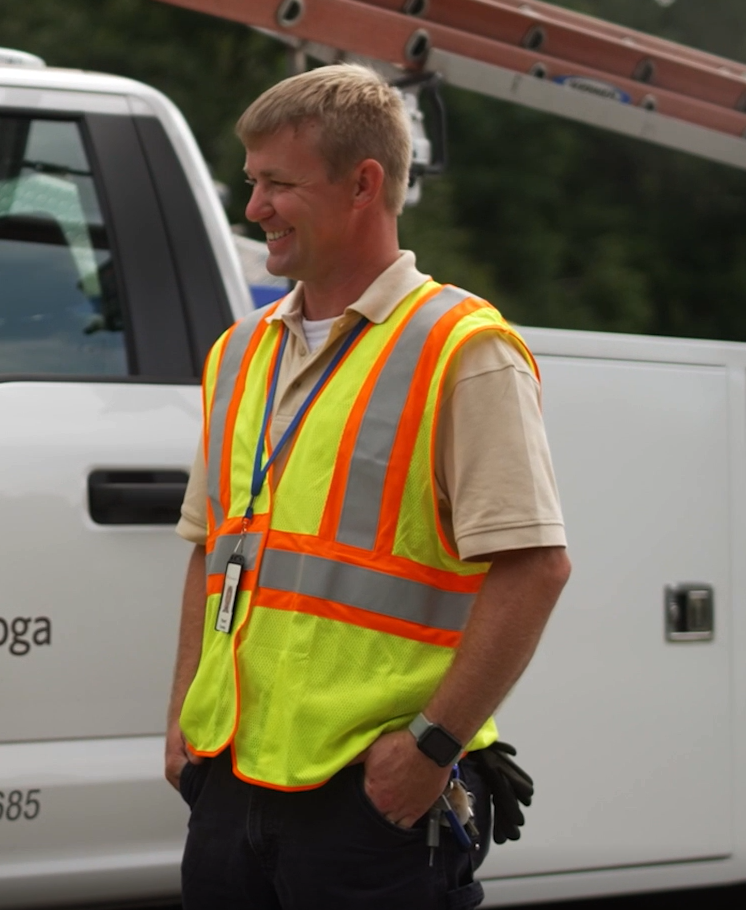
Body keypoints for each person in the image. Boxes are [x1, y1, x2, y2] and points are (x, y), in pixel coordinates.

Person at [164, 64, 572, 909]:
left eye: (279, 183)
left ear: (365, 183)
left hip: (369, 801)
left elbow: (536, 569)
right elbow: (211, 552)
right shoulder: (238, 354)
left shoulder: (463, 349)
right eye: (252, 182)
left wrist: (429, 748)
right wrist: (182, 723)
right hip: (231, 781)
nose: (255, 209)